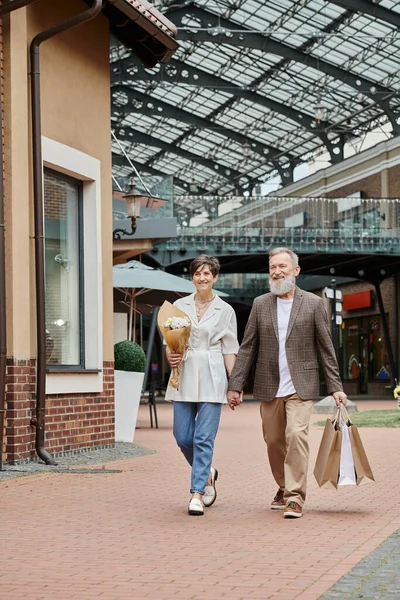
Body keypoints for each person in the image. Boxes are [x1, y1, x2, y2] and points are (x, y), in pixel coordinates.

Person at [227, 247, 347, 519]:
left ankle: (295, 497)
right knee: (273, 440)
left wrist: (335, 386)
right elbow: (247, 348)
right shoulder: (260, 304)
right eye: (273, 267)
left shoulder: (313, 304)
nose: (277, 271)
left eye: (282, 266)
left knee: (296, 436)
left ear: (296, 270)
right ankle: (283, 486)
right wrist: (235, 385)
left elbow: (325, 349)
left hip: (300, 385)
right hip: (270, 385)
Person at [166, 255, 239, 516]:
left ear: (215, 277)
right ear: (192, 277)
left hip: (212, 373)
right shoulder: (179, 306)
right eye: (198, 273)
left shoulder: (226, 310)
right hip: (184, 373)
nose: (203, 278)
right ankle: (207, 471)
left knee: (203, 438)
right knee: (183, 436)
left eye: (208, 273)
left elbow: (230, 349)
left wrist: (234, 385)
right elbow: (171, 344)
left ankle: (197, 493)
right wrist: (171, 355)